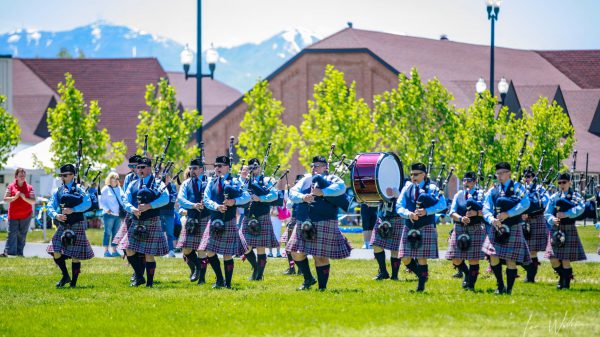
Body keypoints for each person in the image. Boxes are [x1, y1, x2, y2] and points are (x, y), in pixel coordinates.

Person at [287, 155, 352, 291]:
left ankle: (322, 288)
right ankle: (308, 279)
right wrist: (303, 197)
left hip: (324, 220)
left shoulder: (333, 179)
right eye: (312, 165)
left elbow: (341, 188)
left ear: (325, 167)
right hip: (303, 220)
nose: (314, 168)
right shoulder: (305, 179)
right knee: (296, 253)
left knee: (320, 256)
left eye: (317, 165)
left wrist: (323, 192)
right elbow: (292, 193)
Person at [199, 155, 250, 289]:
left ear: (227, 167)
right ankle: (219, 279)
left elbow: (246, 197)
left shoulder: (236, 181)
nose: (217, 168)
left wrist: (234, 202)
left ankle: (228, 283)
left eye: (220, 166)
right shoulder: (212, 181)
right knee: (209, 251)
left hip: (228, 219)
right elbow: (206, 198)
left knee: (227, 254)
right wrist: (216, 206)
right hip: (214, 218)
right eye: (215, 166)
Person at [482, 162, 531, 295]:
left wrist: (508, 214)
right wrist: (491, 219)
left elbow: (525, 203)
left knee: (510, 259)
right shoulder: (493, 190)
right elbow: (486, 207)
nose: (500, 175)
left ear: (509, 173)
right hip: (496, 227)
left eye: (503, 172)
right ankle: (500, 285)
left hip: (513, 226)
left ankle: (509, 289)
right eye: (498, 173)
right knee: (493, 256)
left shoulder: (517, 187)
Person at [120, 157, 170, 287]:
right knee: (128, 249)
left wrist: (150, 205)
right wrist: (132, 209)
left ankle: (150, 283)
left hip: (152, 220)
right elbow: (125, 200)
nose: (140, 170)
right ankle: (139, 276)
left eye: (142, 167)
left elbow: (166, 198)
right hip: (136, 220)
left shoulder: (158, 183)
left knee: (149, 254)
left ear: (149, 168)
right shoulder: (133, 184)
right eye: (138, 167)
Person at [397, 163, 447, 292]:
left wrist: (427, 211)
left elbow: (442, 204)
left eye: (416, 174)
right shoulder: (406, 188)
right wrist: (408, 214)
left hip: (425, 225)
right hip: (409, 225)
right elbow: (399, 206)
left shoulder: (432, 188)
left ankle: (421, 286)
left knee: (421, 257)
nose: (413, 177)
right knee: (404, 257)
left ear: (424, 174)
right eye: (412, 174)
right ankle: (422, 276)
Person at [46, 164, 94, 288]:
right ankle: (65, 275)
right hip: (63, 225)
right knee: (54, 249)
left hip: (77, 223)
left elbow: (88, 203)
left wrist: (73, 209)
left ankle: (73, 282)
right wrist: (56, 215)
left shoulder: (80, 189)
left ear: (73, 176)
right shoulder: (59, 190)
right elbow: (50, 205)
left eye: (65, 175)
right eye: (62, 175)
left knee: (75, 255)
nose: (63, 177)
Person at [544, 172, 587, 290]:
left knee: (565, 260)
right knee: (553, 259)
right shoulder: (554, 196)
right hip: (555, 228)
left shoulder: (575, 196)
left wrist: (566, 214)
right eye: (559, 183)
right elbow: (547, 212)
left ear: (569, 183)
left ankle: (565, 284)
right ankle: (564, 276)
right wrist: (552, 219)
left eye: (564, 182)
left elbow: (581, 207)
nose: (562, 185)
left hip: (569, 228)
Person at [239, 158, 280, 281]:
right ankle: (256, 267)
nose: (253, 170)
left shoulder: (267, 180)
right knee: (244, 244)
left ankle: (258, 275)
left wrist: (260, 198)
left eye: (255, 167)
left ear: (260, 168)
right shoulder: (245, 181)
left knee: (261, 247)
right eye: (250, 168)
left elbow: (274, 195)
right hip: (248, 215)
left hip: (262, 215)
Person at [445, 171, 487, 291]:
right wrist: (460, 218)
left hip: (475, 228)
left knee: (473, 259)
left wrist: (476, 213)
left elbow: (488, 212)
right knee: (455, 258)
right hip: (459, 228)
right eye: (464, 180)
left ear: (475, 182)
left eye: (469, 181)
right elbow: (452, 212)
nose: (466, 183)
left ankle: (471, 285)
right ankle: (467, 273)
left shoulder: (481, 195)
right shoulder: (458, 195)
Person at [177, 158, 211, 284]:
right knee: (186, 248)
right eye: (191, 168)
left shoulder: (208, 182)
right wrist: (193, 205)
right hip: (191, 218)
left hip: (205, 218)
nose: (192, 171)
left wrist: (206, 204)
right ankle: (197, 267)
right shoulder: (186, 183)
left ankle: (202, 279)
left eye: (195, 168)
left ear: (201, 169)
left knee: (202, 250)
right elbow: (181, 198)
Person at [520, 167, 550, 283]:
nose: (526, 179)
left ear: (533, 177)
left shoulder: (540, 188)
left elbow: (545, 204)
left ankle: (530, 277)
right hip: (523, 221)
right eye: (525, 177)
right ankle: (530, 272)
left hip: (536, 220)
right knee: (522, 250)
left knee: (532, 251)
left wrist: (532, 211)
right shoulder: (520, 189)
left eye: (528, 177)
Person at [370, 187, 404, 281]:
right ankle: (383, 272)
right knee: (375, 244)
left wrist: (397, 194)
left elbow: (406, 199)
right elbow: (379, 199)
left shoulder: (404, 182)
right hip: (382, 217)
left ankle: (394, 276)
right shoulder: (380, 181)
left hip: (397, 217)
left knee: (395, 249)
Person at [1, 168, 36, 257]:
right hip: (13, 215)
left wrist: (24, 198)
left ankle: (20, 253)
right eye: (20, 176)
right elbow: (5, 199)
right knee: (11, 233)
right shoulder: (11, 186)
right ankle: (8, 253)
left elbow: (33, 201)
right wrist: (14, 197)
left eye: (24, 176)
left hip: (26, 215)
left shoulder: (29, 187)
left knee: (22, 234)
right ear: (16, 176)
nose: (22, 177)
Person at [282, 174, 305, 275]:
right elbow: (288, 205)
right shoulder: (294, 193)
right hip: (294, 220)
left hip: (303, 220)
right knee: (288, 246)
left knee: (301, 247)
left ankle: (301, 269)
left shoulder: (307, 192)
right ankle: (291, 267)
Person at [99, 171, 124, 257]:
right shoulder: (106, 188)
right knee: (107, 233)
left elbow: (122, 200)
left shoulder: (119, 189)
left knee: (116, 233)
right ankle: (106, 251)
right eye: (114, 177)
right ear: (110, 179)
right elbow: (100, 200)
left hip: (118, 215)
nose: (116, 179)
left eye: (117, 178)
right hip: (108, 214)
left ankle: (114, 250)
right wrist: (106, 209)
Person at [159, 172, 178, 258]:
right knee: (160, 233)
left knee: (170, 233)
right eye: (165, 177)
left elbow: (173, 198)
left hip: (170, 212)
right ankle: (160, 251)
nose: (167, 178)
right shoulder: (159, 185)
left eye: (168, 177)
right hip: (160, 212)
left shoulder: (173, 186)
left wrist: (165, 198)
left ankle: (171, 250)